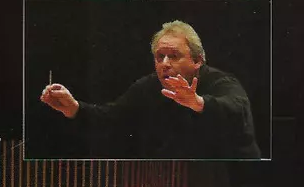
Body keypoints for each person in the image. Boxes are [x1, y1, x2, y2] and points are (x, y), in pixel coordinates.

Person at [40, 20, 261, 160]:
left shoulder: (221, 81)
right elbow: (111, 118)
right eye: (159, 56)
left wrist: (197, 102)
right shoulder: (148, 87)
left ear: (197, 61)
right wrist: (74, 108)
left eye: (173, 56)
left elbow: (237, 109)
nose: (164, 63)